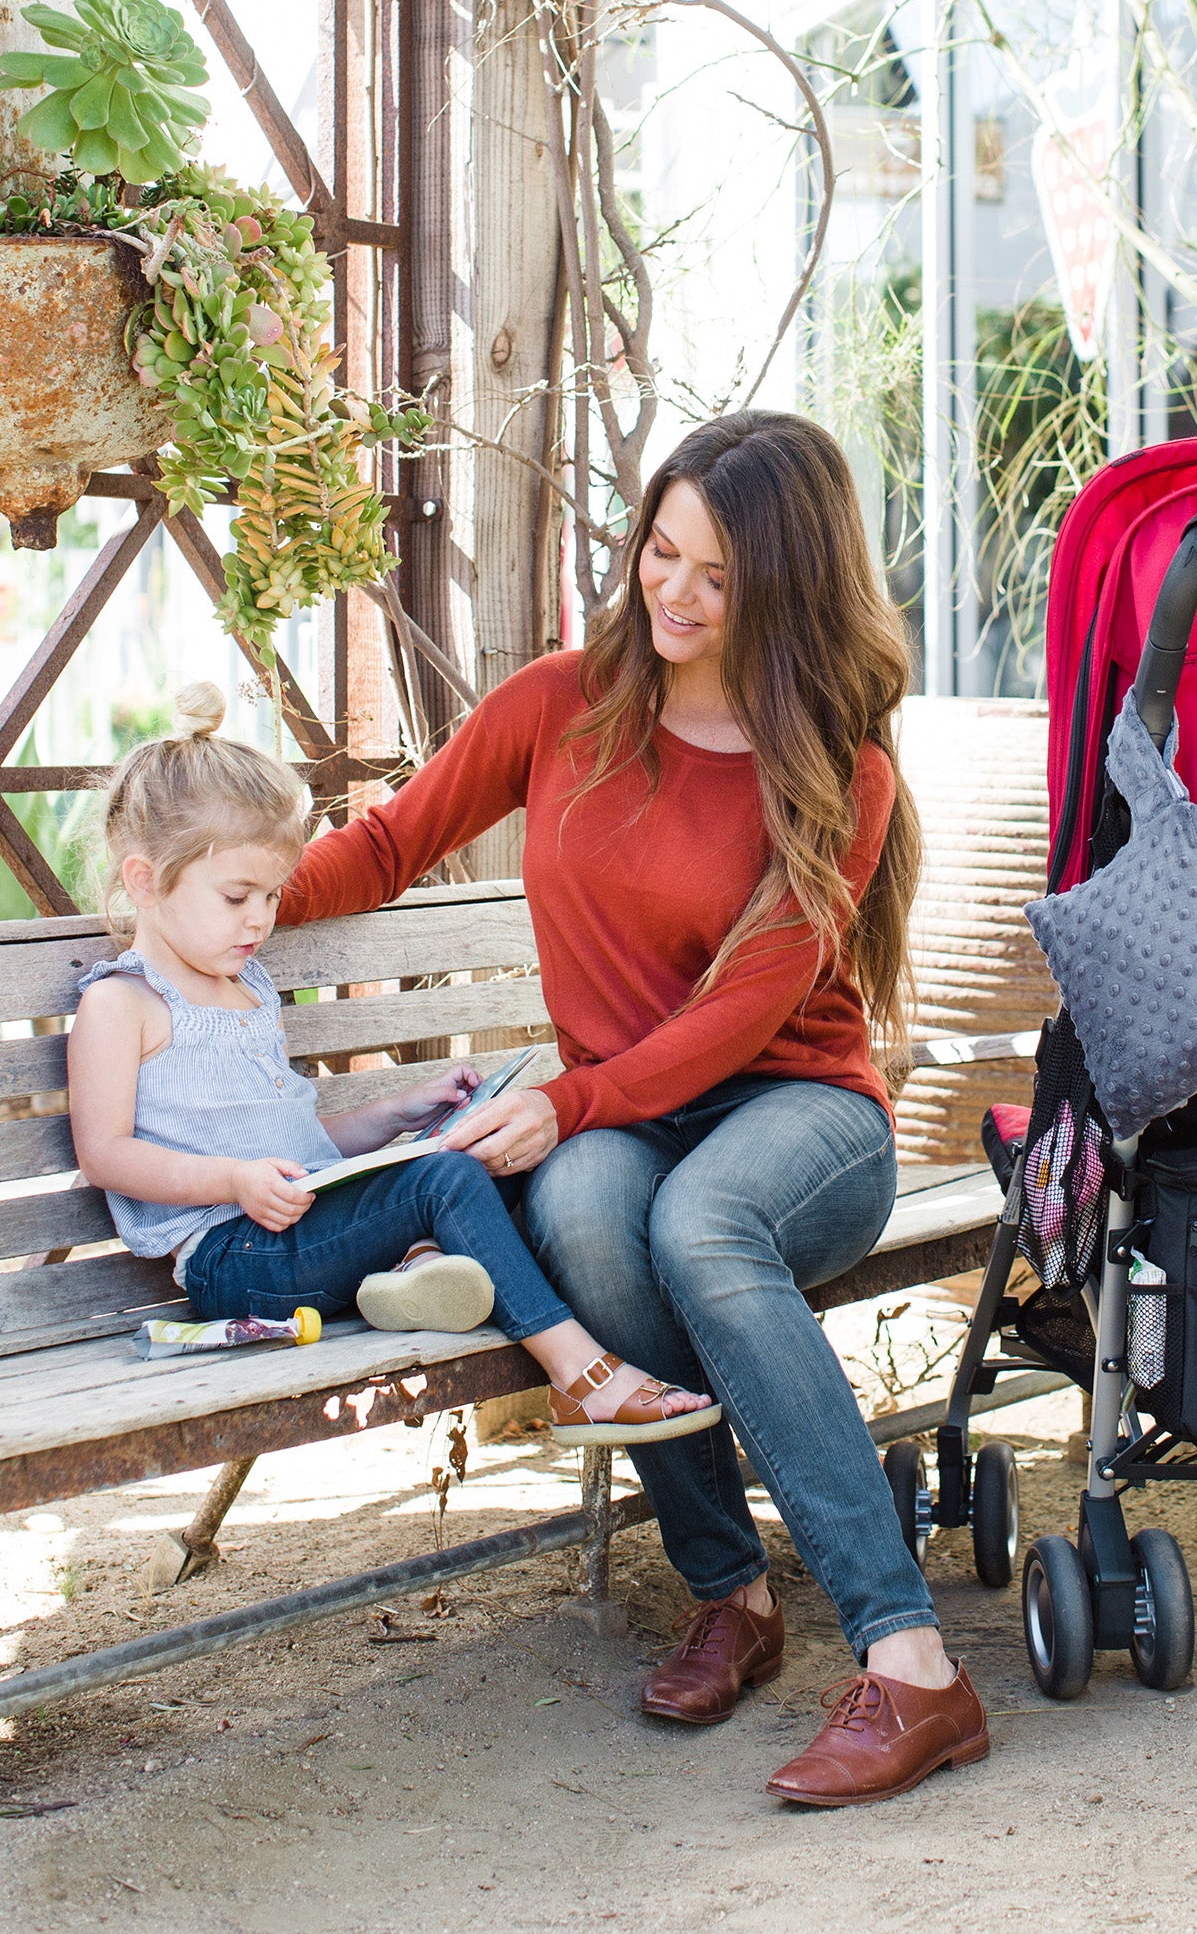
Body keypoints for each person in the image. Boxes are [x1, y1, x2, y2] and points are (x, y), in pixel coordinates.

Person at [277, 409, 989, 1808]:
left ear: (784, 588)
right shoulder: (557, 705)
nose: (674, 591)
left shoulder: (837, 768)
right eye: (663, 551)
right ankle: (733, 1593)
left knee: (702, 1225)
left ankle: (911, 1667)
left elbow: (747, 1012)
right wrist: (219, 911)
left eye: (717, 576)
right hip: (623, 1121)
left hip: (803, 1114)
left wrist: (572, 1100)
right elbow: (389, 845)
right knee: (597, 1224)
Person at [66, 680, 720, 1447]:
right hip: (231, 1258)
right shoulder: (124, 1004)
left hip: (291, 1228)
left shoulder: (246, 986)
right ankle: (579, 1378)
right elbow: (104, 1154)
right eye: (239, 895)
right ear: (144, 881)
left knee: (479, 1154)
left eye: (273, 896)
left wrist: (400, 1114)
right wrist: (231, 1183)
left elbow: (296, 1146)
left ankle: (412, 1273)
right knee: (445, 1181)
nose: (261, 919)